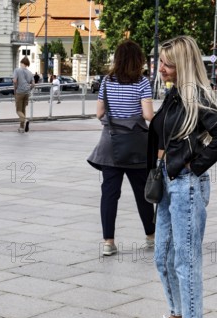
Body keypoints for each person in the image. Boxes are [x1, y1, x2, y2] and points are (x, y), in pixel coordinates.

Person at [144, 36, 217, 318]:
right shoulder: (174, 95)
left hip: (187, 186)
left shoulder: (195, 96)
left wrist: (194, 165)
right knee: (163, 256)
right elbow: (160, 132)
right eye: (161, 62)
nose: (161, 68)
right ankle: (176, 317)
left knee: (185, 259)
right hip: (169, 183)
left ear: (182, 64)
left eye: (168, 63)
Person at [87, 40, 155, 257]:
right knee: (143, 193)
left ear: (117, 59)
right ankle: (151, 237)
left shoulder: (106, 82)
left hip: (110, 145)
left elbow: (99, 113)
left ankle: (109, 242)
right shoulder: (143, 83)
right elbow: (148, 116)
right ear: (138, 60)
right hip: (136, 146)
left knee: (109, 194)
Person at [13, 56, 34, 133]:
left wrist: (15, 90)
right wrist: (29, 89)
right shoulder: (30, 73)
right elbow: (33, 84)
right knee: (23, 109)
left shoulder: (17, 70)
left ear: (21, 63)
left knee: (18, 110)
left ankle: (25, 120)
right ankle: (22, 127)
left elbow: (15, 81)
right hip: (26, 93)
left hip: (19, 92)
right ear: (27, 64)